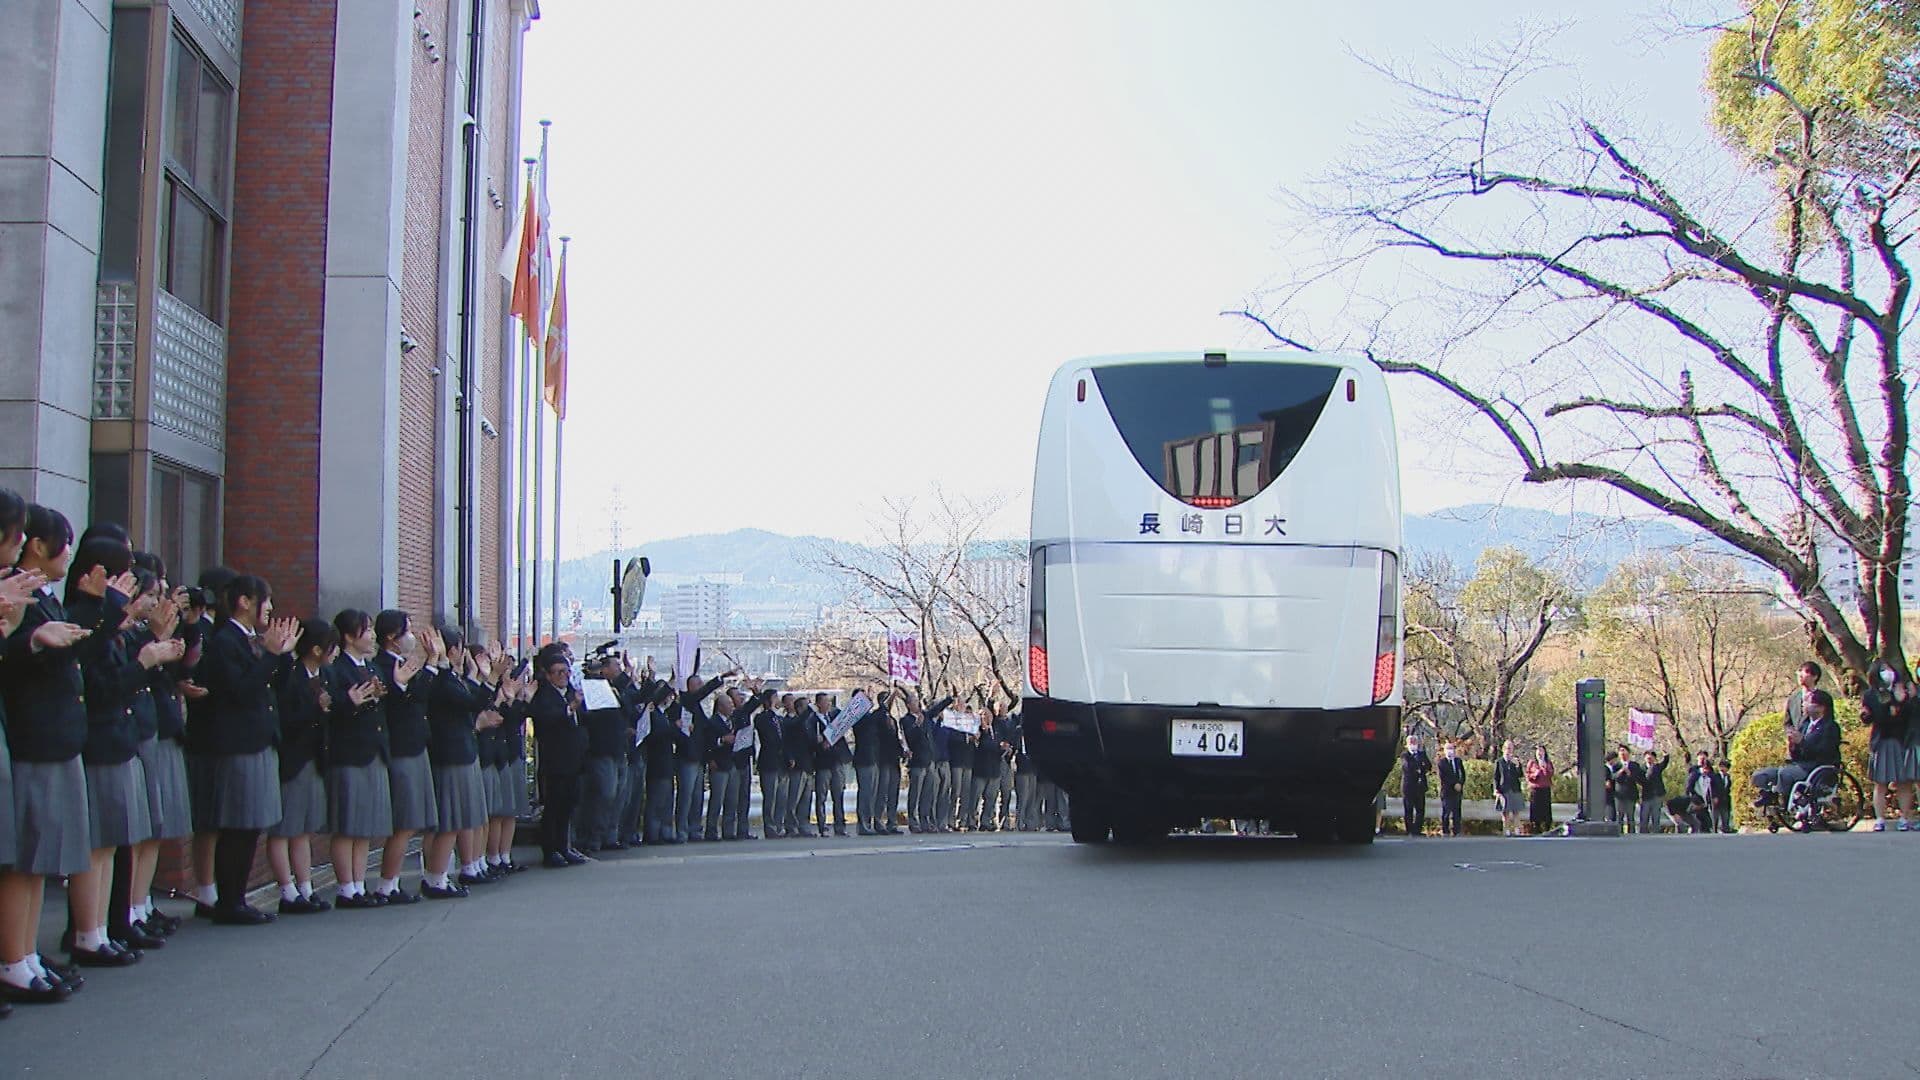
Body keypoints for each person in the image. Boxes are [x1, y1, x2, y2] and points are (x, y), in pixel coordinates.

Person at [199, 573, 300, 925]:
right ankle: (230, 902)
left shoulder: (251, 640)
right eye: (265, 600)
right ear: (244, 601)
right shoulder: (226, 641)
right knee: (238, 825)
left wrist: (282, 655)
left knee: (251, 825)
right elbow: (241, 691)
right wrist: (270, 655)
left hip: (259, 740)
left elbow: (278, 687)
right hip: (239, 744)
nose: (270, 608)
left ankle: (236, 899)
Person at [324, 609, 394, 908]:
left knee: (364, 825)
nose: (372, 636)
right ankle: (345, 888)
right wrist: (348, 702)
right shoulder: (336, 669)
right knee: (347, 824)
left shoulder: (372, 667)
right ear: (349, 636)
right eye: (366, 631)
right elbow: (329, 710)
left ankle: (359, 884)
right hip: (349, 754)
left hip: (373, 749)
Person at [371, 611, 440, 903]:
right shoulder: (382, 666)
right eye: (407, 631)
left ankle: (397, 882)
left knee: (416, 821)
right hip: (401, 749)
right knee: (404, 822)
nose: (411, 636)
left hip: (415, 746)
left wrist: (431, 664)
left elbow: (420, 696)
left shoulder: (401, 662)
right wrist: (431, 663)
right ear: (391, 636)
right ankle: (387, 884)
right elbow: (407, 701)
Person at [268, 620, 336, 915]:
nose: (335, 652)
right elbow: (285, 719)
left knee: (304, 830)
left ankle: (306, 888)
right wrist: (316, 708)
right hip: (293, 760)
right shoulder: (291, 675)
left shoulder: (325, 676)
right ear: (316, 649)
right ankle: (287, 890)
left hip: (315, 758)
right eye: (331, 647)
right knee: (284, 828)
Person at [423, 629, 498, 896]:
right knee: (450, 821)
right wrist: (491, 678)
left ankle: (440, 876)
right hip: (450, 754)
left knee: (458, 821)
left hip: (462, 752)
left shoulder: (451, 677)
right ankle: (436, 878)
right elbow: (472, 703)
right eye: (460, 648)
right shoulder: (441, 679)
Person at [529, 646, 588, 867]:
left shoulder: (570, 692)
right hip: (555, 760)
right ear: (548, 675)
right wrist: (569, 709)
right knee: (553, 806)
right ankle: (550, 850)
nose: (564, 676)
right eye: (558, 672)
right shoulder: (544, 695)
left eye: (566, 672)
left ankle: (564, 846)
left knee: (568, 805)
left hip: (573, 758)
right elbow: (546, 719)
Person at [1752, 688, 1842, 809]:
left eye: (1808, 702)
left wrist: (1802, 742)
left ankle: (1782, 802)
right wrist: (1793, 746)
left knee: (1785, 773)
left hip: (1817, 769)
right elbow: (1797, 755)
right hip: (1799, 765)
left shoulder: (1830, 727)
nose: (1804, 704)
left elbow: (1824, 753)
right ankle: (1770, 796)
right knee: (1761, 774)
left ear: (1821, 708)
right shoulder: (1804, 725)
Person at [1862, 661, 1917, 831]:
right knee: (1881, 783)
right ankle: (1880, 819)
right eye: (1883, 670)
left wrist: (1903, 701)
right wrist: (1891, 704)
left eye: (1889, 669)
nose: (1888, 673)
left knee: (1904, 782)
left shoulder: (1902, 691)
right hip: (1882, 741)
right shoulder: (1870, 694)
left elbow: (1910, 716)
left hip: (1902, 741)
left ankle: (1904, 817)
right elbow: (1875, 717)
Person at [1398, 735, 1431, 837]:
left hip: (1420, 786)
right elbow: (1408, 767)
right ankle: (1409, 830)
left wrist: (1420, 767)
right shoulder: (1405, 755)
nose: (1413, 745)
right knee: (1409, 809)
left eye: (1414, 742)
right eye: (1411, 743)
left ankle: (1417, 830)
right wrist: (1419, 767)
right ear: (1407, 744)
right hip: (1409, 787)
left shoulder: (1421, 754)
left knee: (1420, 810)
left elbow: (1428, 766)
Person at [1492, 740, 1525, 836]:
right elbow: (1496, 777)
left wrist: (1517, 765)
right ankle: (1506, 830)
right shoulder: (1499, 762)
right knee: (1505, 812)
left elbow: (1520, 775)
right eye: (1507, 748)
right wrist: (1496, 789)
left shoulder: (1515, 761)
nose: (1508, 750)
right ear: (1503, 749)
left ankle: (1517, 830)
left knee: (1516, 811)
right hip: (1504, 790)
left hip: (1514, 789)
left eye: (1510, 748)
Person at [1608, 745, 1642, 834]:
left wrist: (1629, 773)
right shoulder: (1616, 765)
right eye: (1620, 751)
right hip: (1619, 795)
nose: (1622, 753)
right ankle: (1619, 833)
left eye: (1624, 750)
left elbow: (1638, 778)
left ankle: (1632, 834)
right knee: (1619, 816)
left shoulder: (1634, 765)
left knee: (1630, 817)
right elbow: (1612, 777)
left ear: (1628, 753)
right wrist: (1621, 771)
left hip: (1631, 794)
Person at [1435, 740, 1465, 837]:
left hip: (1457, 791)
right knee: (1446, 812)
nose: (1450, 751)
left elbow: (1462, 774)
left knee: (1457, 812)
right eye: (1448, 749)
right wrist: (1454, 784)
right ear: (1444, 750)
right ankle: (1445, 830)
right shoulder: (1441, 763)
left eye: (1451, 748)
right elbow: (1443, 777)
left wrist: (1460, 783)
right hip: (1447, 791)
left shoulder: (1458, 761)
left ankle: (1457, 830)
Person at [1638, 749, 1670, 835]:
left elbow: (1665, 763)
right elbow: (1639, 780)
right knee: (1644, 816)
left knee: (1656, 816)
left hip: (1657, 795)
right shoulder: (1641, 769)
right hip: (1646, 796)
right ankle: (1642, 834)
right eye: (1647, 756)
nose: (1649, 758)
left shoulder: (1657, 767)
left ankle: (1656, 834)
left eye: (1651, 756)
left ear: (1654, 758)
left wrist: (1666, 755)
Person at [1524, 745, 1555, 834]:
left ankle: (1547, 829)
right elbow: (1528, 776)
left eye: (1541, 751)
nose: (1539, 753)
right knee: (1535, 811)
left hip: (1545, 789)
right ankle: (1536, 829)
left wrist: (1545, 768)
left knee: (1546, 811)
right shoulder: (1532, 763)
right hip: (1535, 790)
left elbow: (1551, 774)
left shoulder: (1548, 762)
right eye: (1538, 751)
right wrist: (1535, 774)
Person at [1785, 662, 1822, 733]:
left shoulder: (1823, 698)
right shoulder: (1792, 699)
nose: (1800, 675)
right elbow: (1787, 724)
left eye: (1806, 672)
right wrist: (1791, 733)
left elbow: (1828, 723)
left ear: (1815, 676)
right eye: (1799, 672)